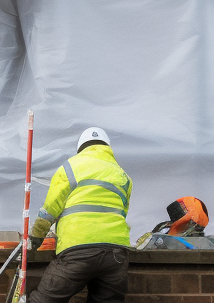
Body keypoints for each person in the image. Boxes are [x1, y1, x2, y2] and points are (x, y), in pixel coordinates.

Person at [27, 127, 133, 303]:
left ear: (81, 148)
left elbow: (50, 210)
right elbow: (122, 213)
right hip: (115, 253)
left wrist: (36, 238)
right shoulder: (123, 176)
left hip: (77, 248)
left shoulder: (69, 168)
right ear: (107, 147)